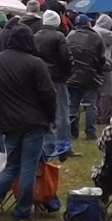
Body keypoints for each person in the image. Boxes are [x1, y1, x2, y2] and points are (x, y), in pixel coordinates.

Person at [0, 26, 55, 221]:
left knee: (12, 165)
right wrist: (50, 117)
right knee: (28, 166)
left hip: (9, 121)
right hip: (34, 121)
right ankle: (22, 210)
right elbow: (48, 93)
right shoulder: (36, 63)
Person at [34, 9, 73, 156]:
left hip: (41, 78)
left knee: (45, 111)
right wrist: (67, 73)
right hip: (57, 78)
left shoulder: (36, 36)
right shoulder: (58, 36)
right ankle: (64, 145)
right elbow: (65, 58)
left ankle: (48, 143)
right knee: (62, 112)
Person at [65, 14, 108, 141]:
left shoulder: (69, 36)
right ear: (87, 24)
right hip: (91, 76)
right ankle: (90, 132)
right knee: (90, 105)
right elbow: (102, 58)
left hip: (73, 76)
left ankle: (73, 132)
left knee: (73, 105)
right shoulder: (95, 37)